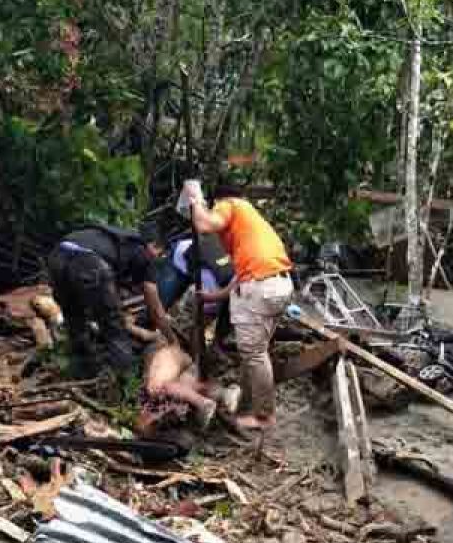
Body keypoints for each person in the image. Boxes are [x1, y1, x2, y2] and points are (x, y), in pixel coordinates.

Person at [186, 182, 293, 432]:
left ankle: (264, 417)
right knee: (254, 352)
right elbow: (242, 273)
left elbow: (203, 224)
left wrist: (195, 199)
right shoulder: (250, 224)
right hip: (277, 284)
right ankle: (247, 405)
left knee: (254, 354)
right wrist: (216, 295)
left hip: (262, 288)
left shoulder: (229, 204)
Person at [47, 223, 162, 377]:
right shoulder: (141, 250)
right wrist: (169, 335)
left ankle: (82, 372)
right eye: (159, 253)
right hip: (87, 260)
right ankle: (125, 379)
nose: (157, 258)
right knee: (113, 325)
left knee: (74, 318)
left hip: (58, 255)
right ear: (152, 244)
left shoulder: (119, 240)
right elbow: (153, 303)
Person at [143, 233, 236, 349]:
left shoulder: (236, 279)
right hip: (179, 259)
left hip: (202, 258)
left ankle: (211, 347)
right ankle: (146, 329)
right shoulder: (214, 288)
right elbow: (199, 324)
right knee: (160, 303)